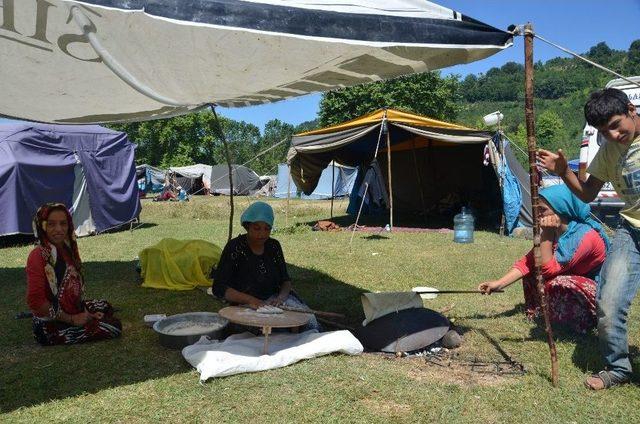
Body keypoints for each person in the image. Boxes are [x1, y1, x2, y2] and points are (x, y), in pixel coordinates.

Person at [538, 88, 640, 390]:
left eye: (616, 124)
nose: (612, 134)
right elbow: (587, 193)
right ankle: (618, 368)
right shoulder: (608, 152)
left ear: (631, 110)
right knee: (608, 303)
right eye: (603, 130)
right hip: (631, 231)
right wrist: (562, 172)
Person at [479, 185, 609, 333]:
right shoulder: (557, 231)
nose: (538, 215)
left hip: (597, 294)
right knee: (533, 271)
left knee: (559, 282)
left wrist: (546, 233)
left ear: (561, 208)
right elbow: (529, 261)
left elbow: (547, 270)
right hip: (575, 280)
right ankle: (542, 312)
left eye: (542, 210)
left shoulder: (585, 236)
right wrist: (499, 283)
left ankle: (575, 322)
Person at [211, 201, 320, 331]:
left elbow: (285, 281)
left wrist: (280, 298)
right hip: (245, 305)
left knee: (309, 321)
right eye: (257, 228)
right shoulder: (235, 248)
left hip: (274, 300)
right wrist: (251, 300)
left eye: (267, 228)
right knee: (263, 330)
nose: (262, 234)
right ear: (247, 226)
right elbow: (219, 288)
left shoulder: (274, 246)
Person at [26, 203, 122, 345]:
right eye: (51, 224)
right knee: (113, 327)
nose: (59, 229)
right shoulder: (38, 256)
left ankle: (82, 315)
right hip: (51, 325)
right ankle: (62, 328)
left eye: (63, 223)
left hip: (68, 308)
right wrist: (72, 319)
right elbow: (35, 301)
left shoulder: (66, 249)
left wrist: (87, 314)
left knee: (104, 306)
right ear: (43, 226)